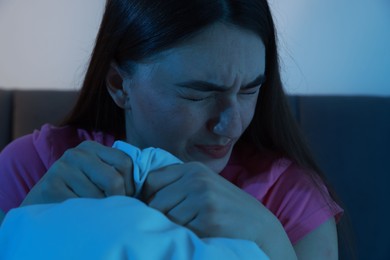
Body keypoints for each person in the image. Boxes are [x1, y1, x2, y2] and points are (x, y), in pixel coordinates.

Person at [0, 0, 343, 259]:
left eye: (249, 90)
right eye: (198, 93)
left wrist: (271, 240)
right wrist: (22, 221)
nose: (231, 124)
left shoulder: (291, 198)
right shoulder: (35, 169)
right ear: (119, 84)